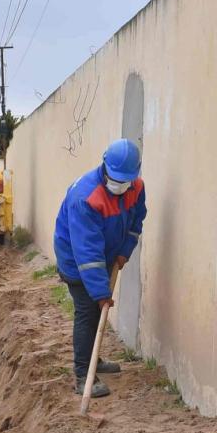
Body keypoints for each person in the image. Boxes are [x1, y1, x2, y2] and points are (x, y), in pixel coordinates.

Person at [53, 138, 147, 399]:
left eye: (125, 180)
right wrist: (100, 291)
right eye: (116, 179)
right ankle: (83, 375)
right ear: (104, 167)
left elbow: (135, 221)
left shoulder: (136, 188)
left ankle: (95, 358)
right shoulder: (85, 198)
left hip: (104, 254)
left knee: (96, 311)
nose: (120, 185)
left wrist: (124, 250)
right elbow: (87, 252)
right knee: (88, 310)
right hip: (76, 258)